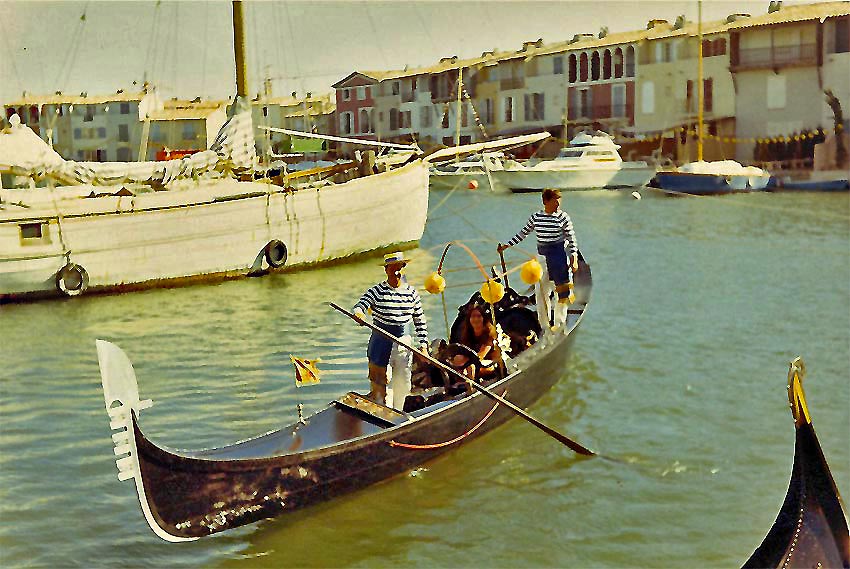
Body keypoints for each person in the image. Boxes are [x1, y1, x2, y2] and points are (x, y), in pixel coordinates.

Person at [353, 252, 428, 407]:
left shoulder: (412, 293)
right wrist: (359, 314)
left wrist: (424, 346)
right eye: (392, 268)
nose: (396, 272)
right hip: (381, 342)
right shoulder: (376, 291)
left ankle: (401, 412)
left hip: (404, 344)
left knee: (403, 382)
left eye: (399, 268)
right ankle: (384, 412)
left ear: (403, 269)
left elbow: (419, 320)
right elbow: (360, 305)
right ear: (386, 270)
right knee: (383, 383)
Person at [498, 188, 579, 328]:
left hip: (559, 257)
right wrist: (507, 245)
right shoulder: (536, 217)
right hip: (542, 259)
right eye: (555, 200)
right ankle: (545, 326)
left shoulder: (563, 217)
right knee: (541, 294)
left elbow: (571, 239)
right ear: (546, 201)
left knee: (561, 293)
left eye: (559, 200)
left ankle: (559, 323)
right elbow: (523, 233)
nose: (558, 203)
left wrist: (574, 258)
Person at [456, 304, 502, 379]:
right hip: (473, 365)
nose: (476, 319)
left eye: (479, 316)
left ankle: (472, 385)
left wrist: (466, 366)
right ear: (469, 319)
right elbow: (464, 352)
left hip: (491, 365)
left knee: (470, 369)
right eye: (473, 316)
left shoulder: (490, 333)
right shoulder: (467, 334)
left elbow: (481, 355)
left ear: (483, 318)